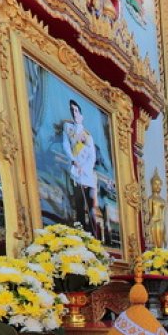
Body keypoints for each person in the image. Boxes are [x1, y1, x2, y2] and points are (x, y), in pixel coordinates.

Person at [62, 100, 103, 237]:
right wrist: (74, 162)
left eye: (77, 111)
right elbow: (66, 146)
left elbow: (91, 156)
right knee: (79, 206)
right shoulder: (68, 128)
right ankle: (81, 234)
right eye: (72, 110)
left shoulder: (88, 136)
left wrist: (84, 168)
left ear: (81, 115)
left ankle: (93, 235)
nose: (74, 113)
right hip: (75, 172)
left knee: (91, 207)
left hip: (87, 173)